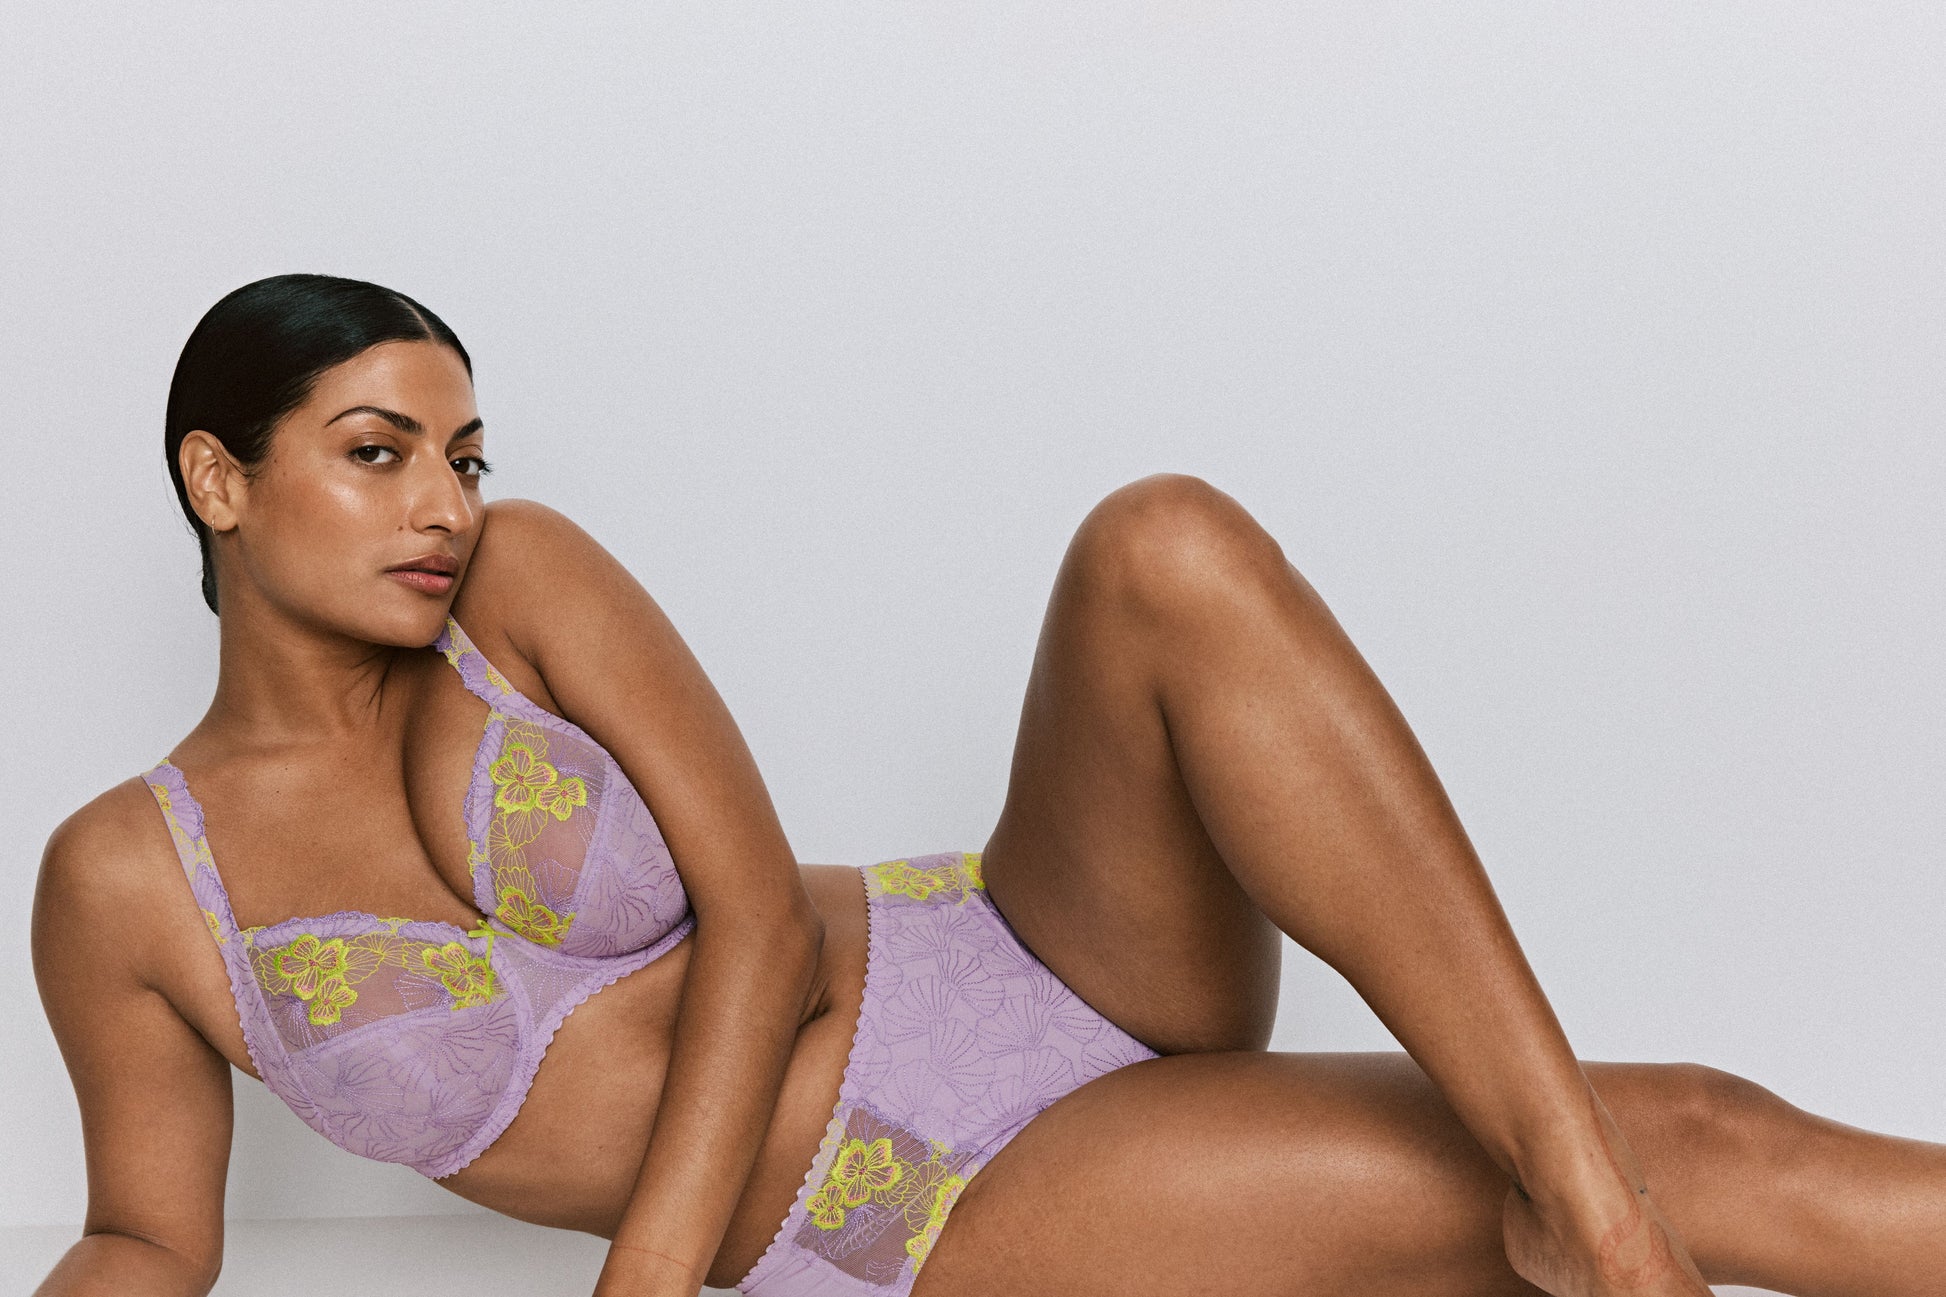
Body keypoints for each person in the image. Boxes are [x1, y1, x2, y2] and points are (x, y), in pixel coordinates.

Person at [29, 272, 1944, 1297]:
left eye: (463, 452)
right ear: (220, 478)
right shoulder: (127, 883)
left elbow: (765, 924)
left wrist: (644, 1287)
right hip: (920, 1198)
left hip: (1021, 941)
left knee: (1160, 541)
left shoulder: (518, 590)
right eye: (377, 452)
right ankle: (1606, 1202)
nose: (445, 502)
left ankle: (1586, 1227)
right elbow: (151, 1241)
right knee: (1696, 1129)